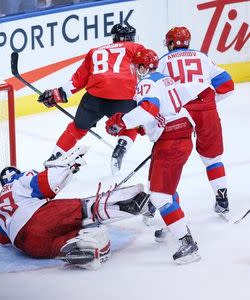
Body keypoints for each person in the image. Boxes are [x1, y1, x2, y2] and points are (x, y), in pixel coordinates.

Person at [105, 48, 204, 264]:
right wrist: (144, 127)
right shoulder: (165, 79)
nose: (133, 71)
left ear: (142, 67)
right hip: (177, 135)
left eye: (135, 66)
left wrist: (122, 121)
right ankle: (174, 224)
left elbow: (150, 107)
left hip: (172, 140)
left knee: (160, 196)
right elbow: (162, 111)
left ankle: (188, 243)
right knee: (161, 189)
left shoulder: (146, 82)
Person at [0, 145, 150, 269]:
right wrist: (66, 169)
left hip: (27, 246)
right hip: (38, 218)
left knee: (63, 243)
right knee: (83, 210)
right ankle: (131, 201)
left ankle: (88, 247)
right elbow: (46, 184)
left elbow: (2, 239)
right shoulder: (18, 181)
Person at [37, 24, 144, 175]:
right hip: (123, 97)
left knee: (77, 128)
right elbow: (148, 68)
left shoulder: (95, 51)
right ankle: (121, 147)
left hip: (94, 99)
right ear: (131, 37)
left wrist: (56, 95)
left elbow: (77, 81)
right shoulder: (136, 48)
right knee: (130, 124)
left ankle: (57, 155)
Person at [156, 26, 235, 217]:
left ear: (171, 43)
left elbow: (155, 90)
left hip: (180, 114)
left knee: (170, 160)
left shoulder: (164, 61)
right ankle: (222, 199)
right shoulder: (202, 57)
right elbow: (227, 85)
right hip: (207, 110)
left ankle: (163, 204)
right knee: (212, 158)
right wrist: (208, 103)